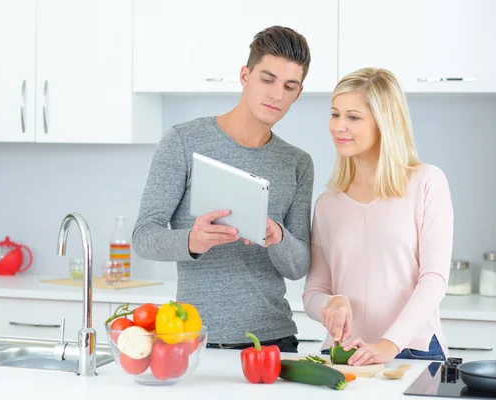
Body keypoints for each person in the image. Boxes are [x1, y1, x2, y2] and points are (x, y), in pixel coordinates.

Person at [132, 26, 314, 352]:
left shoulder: (297, 163)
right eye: (267, 79)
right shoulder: (184, 141)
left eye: (289, 86)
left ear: (298, 93)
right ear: (245, 75)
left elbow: (298, 266)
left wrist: (278, 237)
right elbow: (143, 237)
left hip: (273, 343)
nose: (276, 95)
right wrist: (192, 240)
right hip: (195, 338)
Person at [302, 67, 454, 365]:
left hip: (414, 351)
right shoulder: (327, 203)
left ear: (384, 123)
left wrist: (389, 344)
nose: (338, 126)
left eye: (353, 117)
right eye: (335, 114)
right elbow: (314, 291)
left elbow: (434, 279)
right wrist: (329, 304)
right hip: (343, 354)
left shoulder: (426, 182)